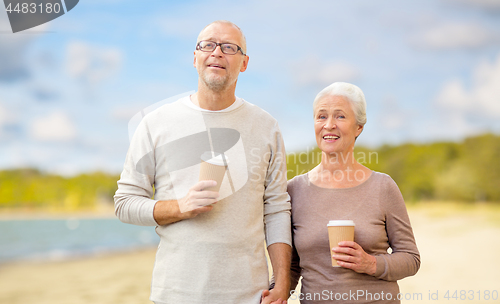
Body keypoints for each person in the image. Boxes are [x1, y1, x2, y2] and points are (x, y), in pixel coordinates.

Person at [114, 20, 291, 304]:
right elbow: (124, 203)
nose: (217, 52)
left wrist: (282, 282)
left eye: (229, 47)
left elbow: (277, 209)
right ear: (194, 57)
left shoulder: (267, 127)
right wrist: (179, 207)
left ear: (244, 63)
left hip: (251, 295)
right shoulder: (155, 124)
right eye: (207, 44)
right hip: (176, 294)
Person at [286, 82, 420, 303]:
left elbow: (411, 259)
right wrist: (275, 292)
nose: (329, 125)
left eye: (340, 116)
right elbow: (291, 266)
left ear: (359, 127)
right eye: (321, 117)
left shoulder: (383, 187)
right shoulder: (294, 190)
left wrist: (370, 263)